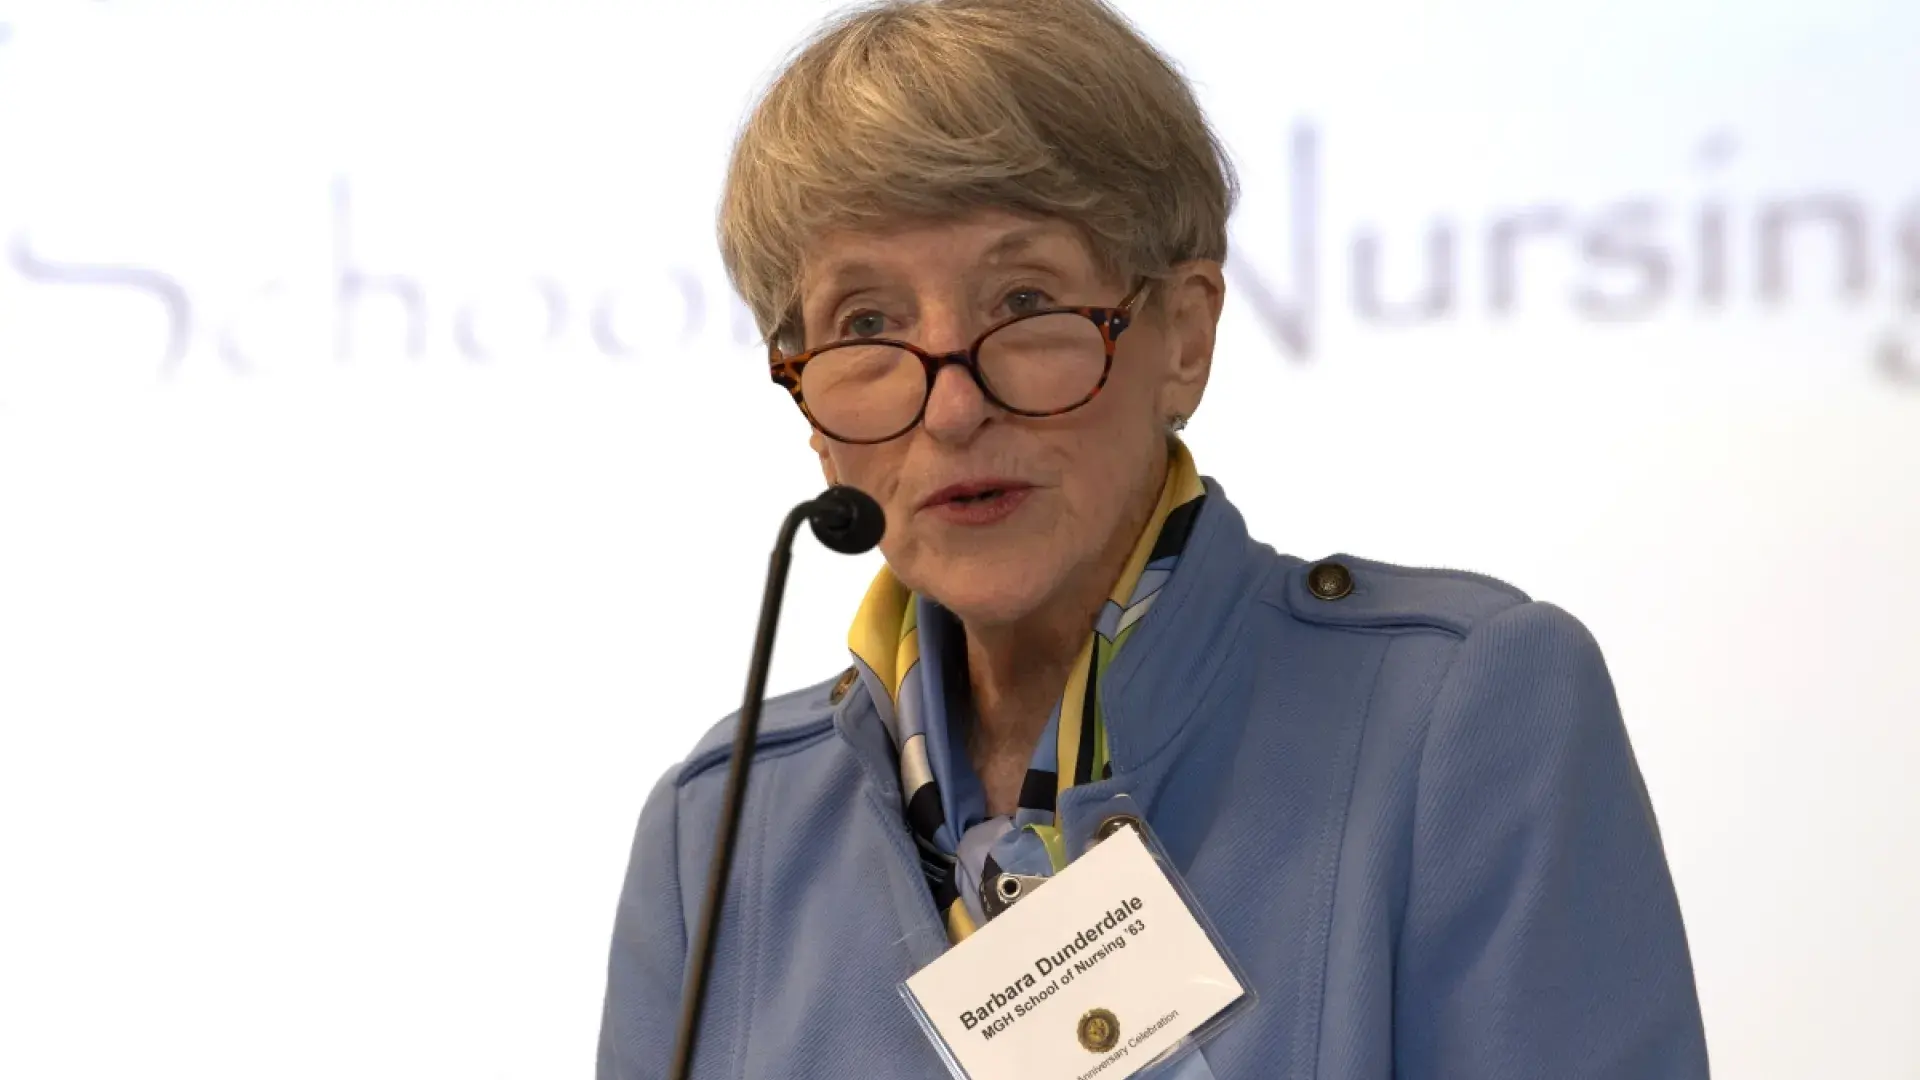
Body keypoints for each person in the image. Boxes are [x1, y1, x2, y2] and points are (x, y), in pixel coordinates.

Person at [597, 0, 1710, 1076]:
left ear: (1184, 335)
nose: (948, 408)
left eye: (1023, 300)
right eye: (868, 326)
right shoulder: (720, 830)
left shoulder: (1456, 717)